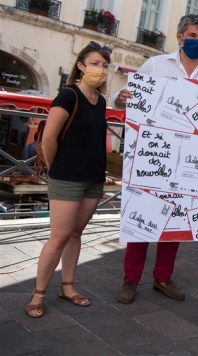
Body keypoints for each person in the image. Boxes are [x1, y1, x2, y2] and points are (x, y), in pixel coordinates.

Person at [111, 14, 198, 304]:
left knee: (175, 222)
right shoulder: (156, 64)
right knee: (142, 220)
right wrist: (121, 99)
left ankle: (162, 278)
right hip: (152, 156)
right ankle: (130, 280)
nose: (197, 41)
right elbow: (126, 97)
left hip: (188, 162)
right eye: (192, 35)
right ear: (180, 37)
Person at [25, 41, 112, 317]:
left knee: (76, 234)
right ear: (81, 66)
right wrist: (55, 168)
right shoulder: (68, 96)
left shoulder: (101, 101)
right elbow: (49, 138)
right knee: (59, 237)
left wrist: (103, 174)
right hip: (67, 178)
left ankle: (68, 286)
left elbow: (96, 142)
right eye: (96, 64)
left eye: (105, 65)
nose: (101, 69)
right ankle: (38, 294)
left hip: (93, 179)